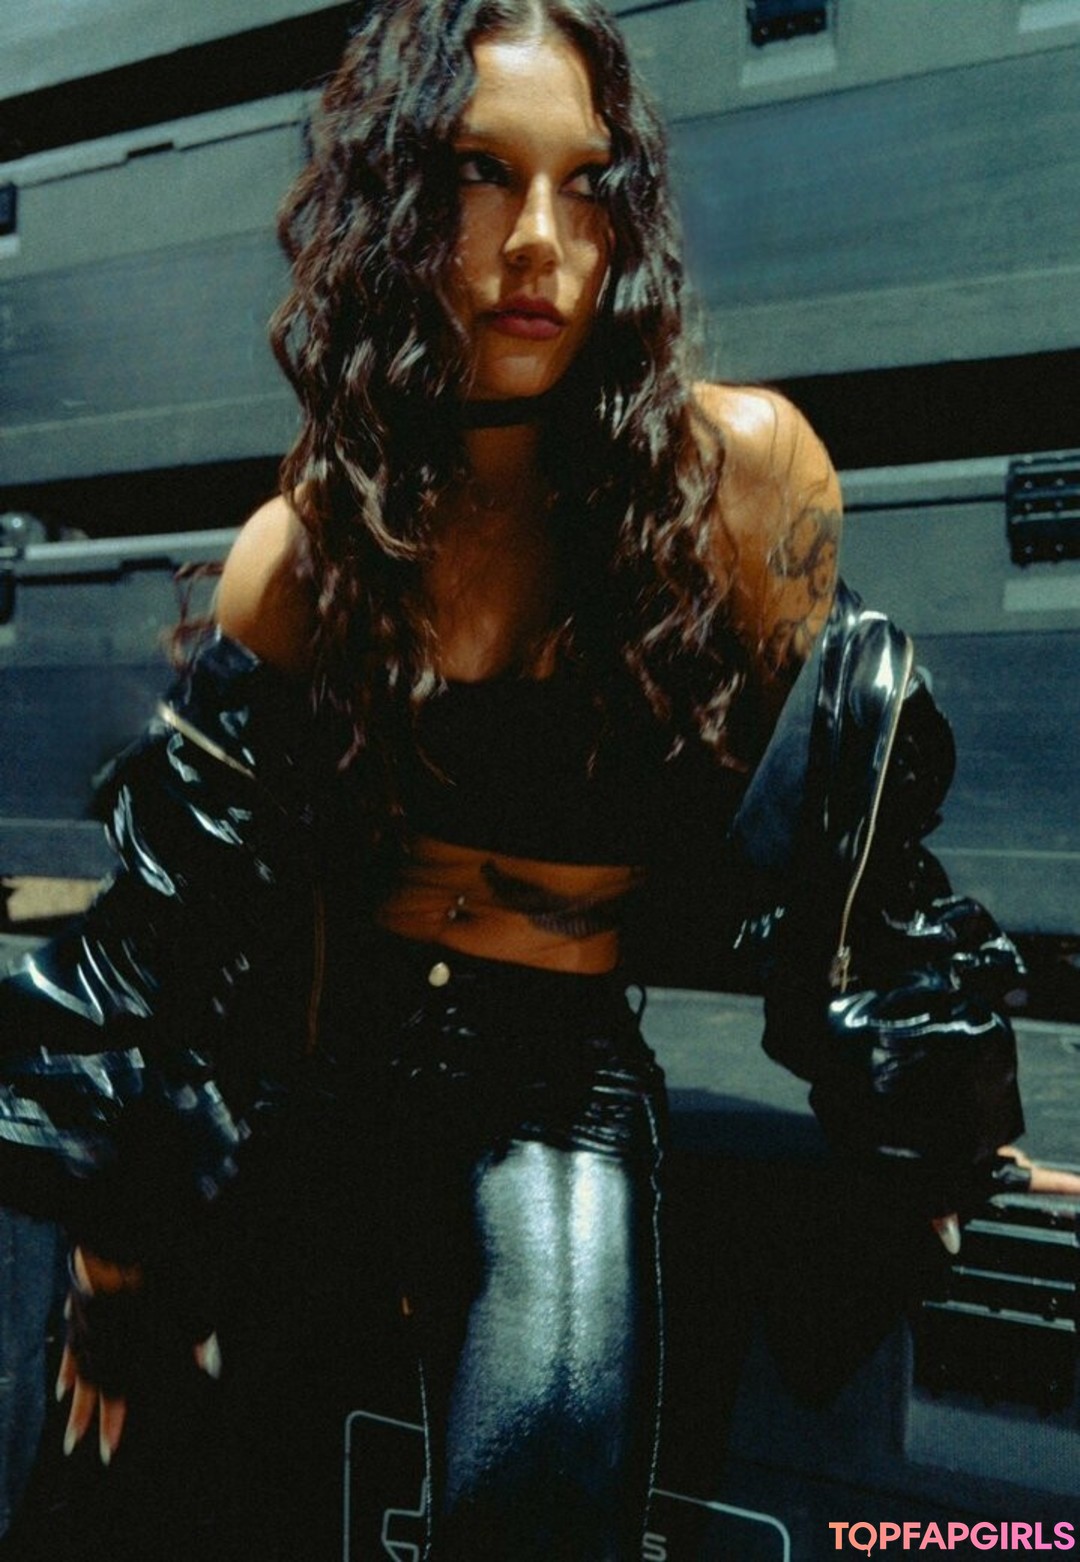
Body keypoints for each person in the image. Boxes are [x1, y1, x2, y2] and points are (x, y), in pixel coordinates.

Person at [0, 1, 1075, 1557]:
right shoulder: (306, 551)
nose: (537, 242)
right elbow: (178, 928)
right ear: (391, 208)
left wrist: (935, 1120)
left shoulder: (739, 482)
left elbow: (854, 834)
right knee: (131, 1491)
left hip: (551, 1084)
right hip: (321, 1076)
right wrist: (116, 1261)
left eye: (587, 186)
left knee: (539, 1499)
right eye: (479, 173)